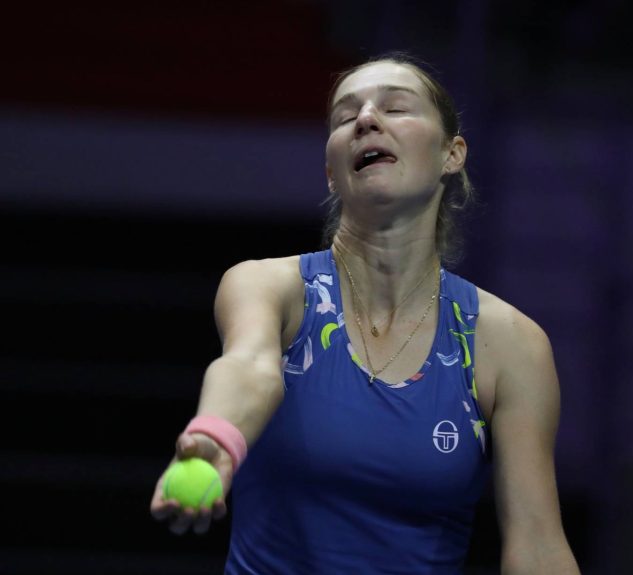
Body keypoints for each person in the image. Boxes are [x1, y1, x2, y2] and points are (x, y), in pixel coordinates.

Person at [151, 52, 581, 575]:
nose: (367, 119)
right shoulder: (272, 286)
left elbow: (537, 546)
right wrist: (217, 436)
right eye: (345, 116)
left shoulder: (509, 342)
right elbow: (251, 367)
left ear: (451, 154)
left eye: (395, 108)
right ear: (331, 174)